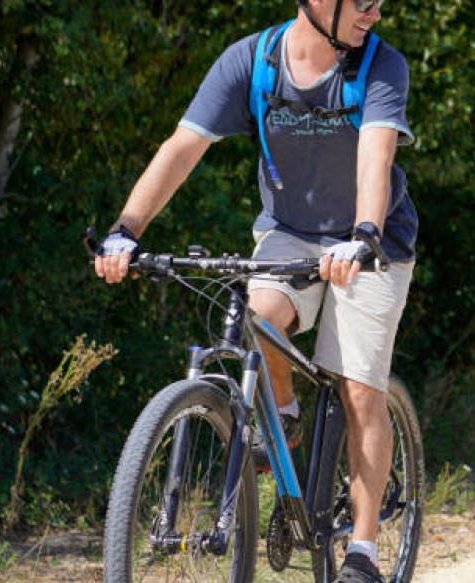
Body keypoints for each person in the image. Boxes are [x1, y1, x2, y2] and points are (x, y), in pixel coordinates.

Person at [92, 1, 415, 580]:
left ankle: (363, 552)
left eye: (379, 2)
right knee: (256, 317)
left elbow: (376, 154)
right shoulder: (252, 61)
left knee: (359, 388)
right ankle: (283, 410)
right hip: (289, 232)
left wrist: (364, 235)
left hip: (372, 242)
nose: (375, 13)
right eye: (362, 2)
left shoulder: (381, 65)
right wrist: (127, 230)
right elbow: (183, 145)